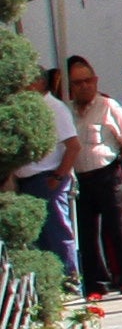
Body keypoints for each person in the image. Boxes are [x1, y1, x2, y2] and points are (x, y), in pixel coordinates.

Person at [64, 57, 122, 301]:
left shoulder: (108, 106)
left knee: (118, 229)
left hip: (108, 172)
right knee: (87, 232)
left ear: (95, 80)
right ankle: (96, 282)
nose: (83, 86)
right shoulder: (67, 109)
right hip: (81, 177)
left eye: (87, 81)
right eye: (77, 82)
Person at [14, 69, 73, 289]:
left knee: (57, 231)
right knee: (40, 237)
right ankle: (51, 284)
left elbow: (73, 145)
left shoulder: (54, 108)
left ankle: (69, 279)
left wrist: (58, 176)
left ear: (38, 83)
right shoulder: (31, 109)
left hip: (48, 178)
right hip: (29, 180)